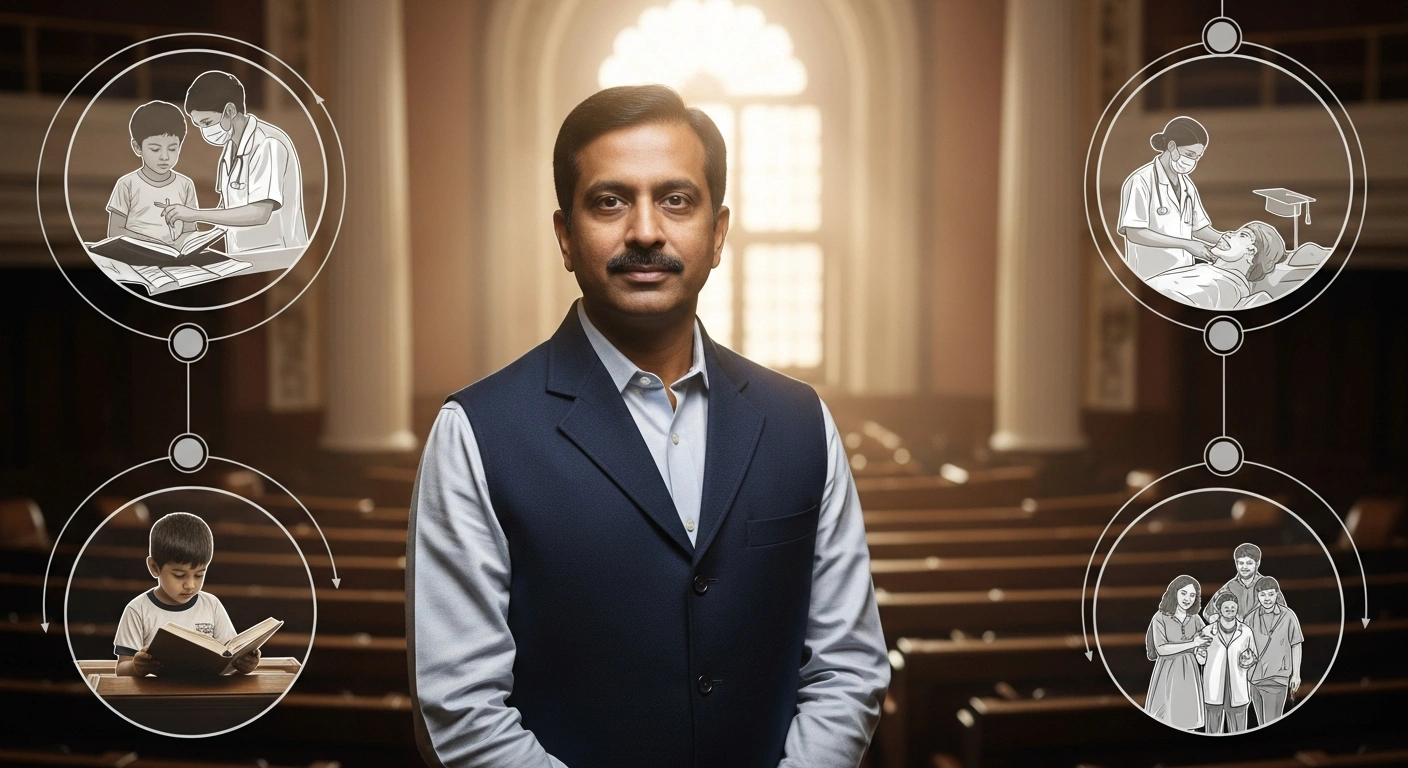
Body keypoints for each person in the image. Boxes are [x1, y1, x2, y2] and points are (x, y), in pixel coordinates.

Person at [408, 85, 889, 768]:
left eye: (676, 199)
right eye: (609, 201)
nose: (645, 231)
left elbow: (847, 668)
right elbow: (462, 710)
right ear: (565, 235)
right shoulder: (475, 433)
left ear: (717, 233)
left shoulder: (801, 420)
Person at [159, 71, 308, 256]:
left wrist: (194, 213)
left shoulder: (268, 143)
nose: (204, 131)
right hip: (243, 256)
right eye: (199, 126)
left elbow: (259, 213)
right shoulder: (230, 148)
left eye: (207, 122)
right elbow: (228, 210)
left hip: (278, 255)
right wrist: (195, 242)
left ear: (229, 111)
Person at [112, 512, 258, 677]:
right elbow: (122, 668)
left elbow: (230, 654)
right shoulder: (138, 609)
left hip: (206, 695)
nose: (190, 585)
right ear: (154, 567)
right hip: (156, 696)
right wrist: (136, 667)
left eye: (199, 575)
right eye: (179, 575)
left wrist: (245, 664)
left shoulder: (211, 604)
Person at [1118, 115, 1222, 280]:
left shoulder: (1187, 186)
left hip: (1184, 274)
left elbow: (1197, 228)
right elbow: (1134, 232)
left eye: (1197, 157)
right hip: (1151, 276)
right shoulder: (1141, 180)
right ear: (1172, 146)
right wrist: (1187, 244)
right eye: (1190, 154)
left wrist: (1223, 239)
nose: (1192, 161)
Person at [105, 100, 201, 247]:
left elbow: (190, 230)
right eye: (155, 149)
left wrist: (181, 247)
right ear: (137, 147)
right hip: (134, 258)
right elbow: (115, 231)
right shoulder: (127, 184)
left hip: (175, 261)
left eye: (172, 149)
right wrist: (153, 244)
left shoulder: (185, 185)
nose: (164, 156)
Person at [1146, 221, 1288, 310]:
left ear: (1251, 251)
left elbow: (1167, 308)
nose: (1228, 233)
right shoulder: (1212, 273)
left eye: (1242, 235)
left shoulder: (1225, 286)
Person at [1144, 575, 1211, 730]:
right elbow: (1161, 648)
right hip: (1167, 673)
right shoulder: (1160, 617)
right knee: (1166, 717)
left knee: (1188, 719)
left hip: (1190, 674)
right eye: (1183, 593)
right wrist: (1193, 643)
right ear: (1174, 593)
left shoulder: (1195, 619)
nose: (1187, 598)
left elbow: (1205, 644)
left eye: (1192, 595)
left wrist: (1201, 652)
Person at [1196, 590, 1258, 734]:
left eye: (1233, 608)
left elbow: (1254, 654)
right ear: (1219, 610)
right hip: (1214, 685)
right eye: (1226, 608)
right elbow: (1199, 657)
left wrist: (1249, 659)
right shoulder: (1207, 631)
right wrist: (1201, 654)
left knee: (1239, 729)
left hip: (1237, 685)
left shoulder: (1246, 631)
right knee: (1212, 728)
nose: (1230, 611)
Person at [1246, 576, 1304, 726]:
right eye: (1263, 594)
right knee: (1261, 724)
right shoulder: (1250, 618)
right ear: (1257, 595)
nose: (1267, 599)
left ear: (1277, 594)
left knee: (1270, 722)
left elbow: (1296, 644)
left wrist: (1296, 674)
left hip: (1276, 678)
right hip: (1254, 678)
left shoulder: (1288, 616)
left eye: (1271, 594)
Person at [1202, 542, 1288, 623]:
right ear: (1236, 563)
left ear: (1257, 563)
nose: (1244, 567)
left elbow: (1284, 613)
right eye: (1241, 563)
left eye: (1249, 563)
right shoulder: (1229, 587)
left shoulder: (1267, 585)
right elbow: (1208, 612)